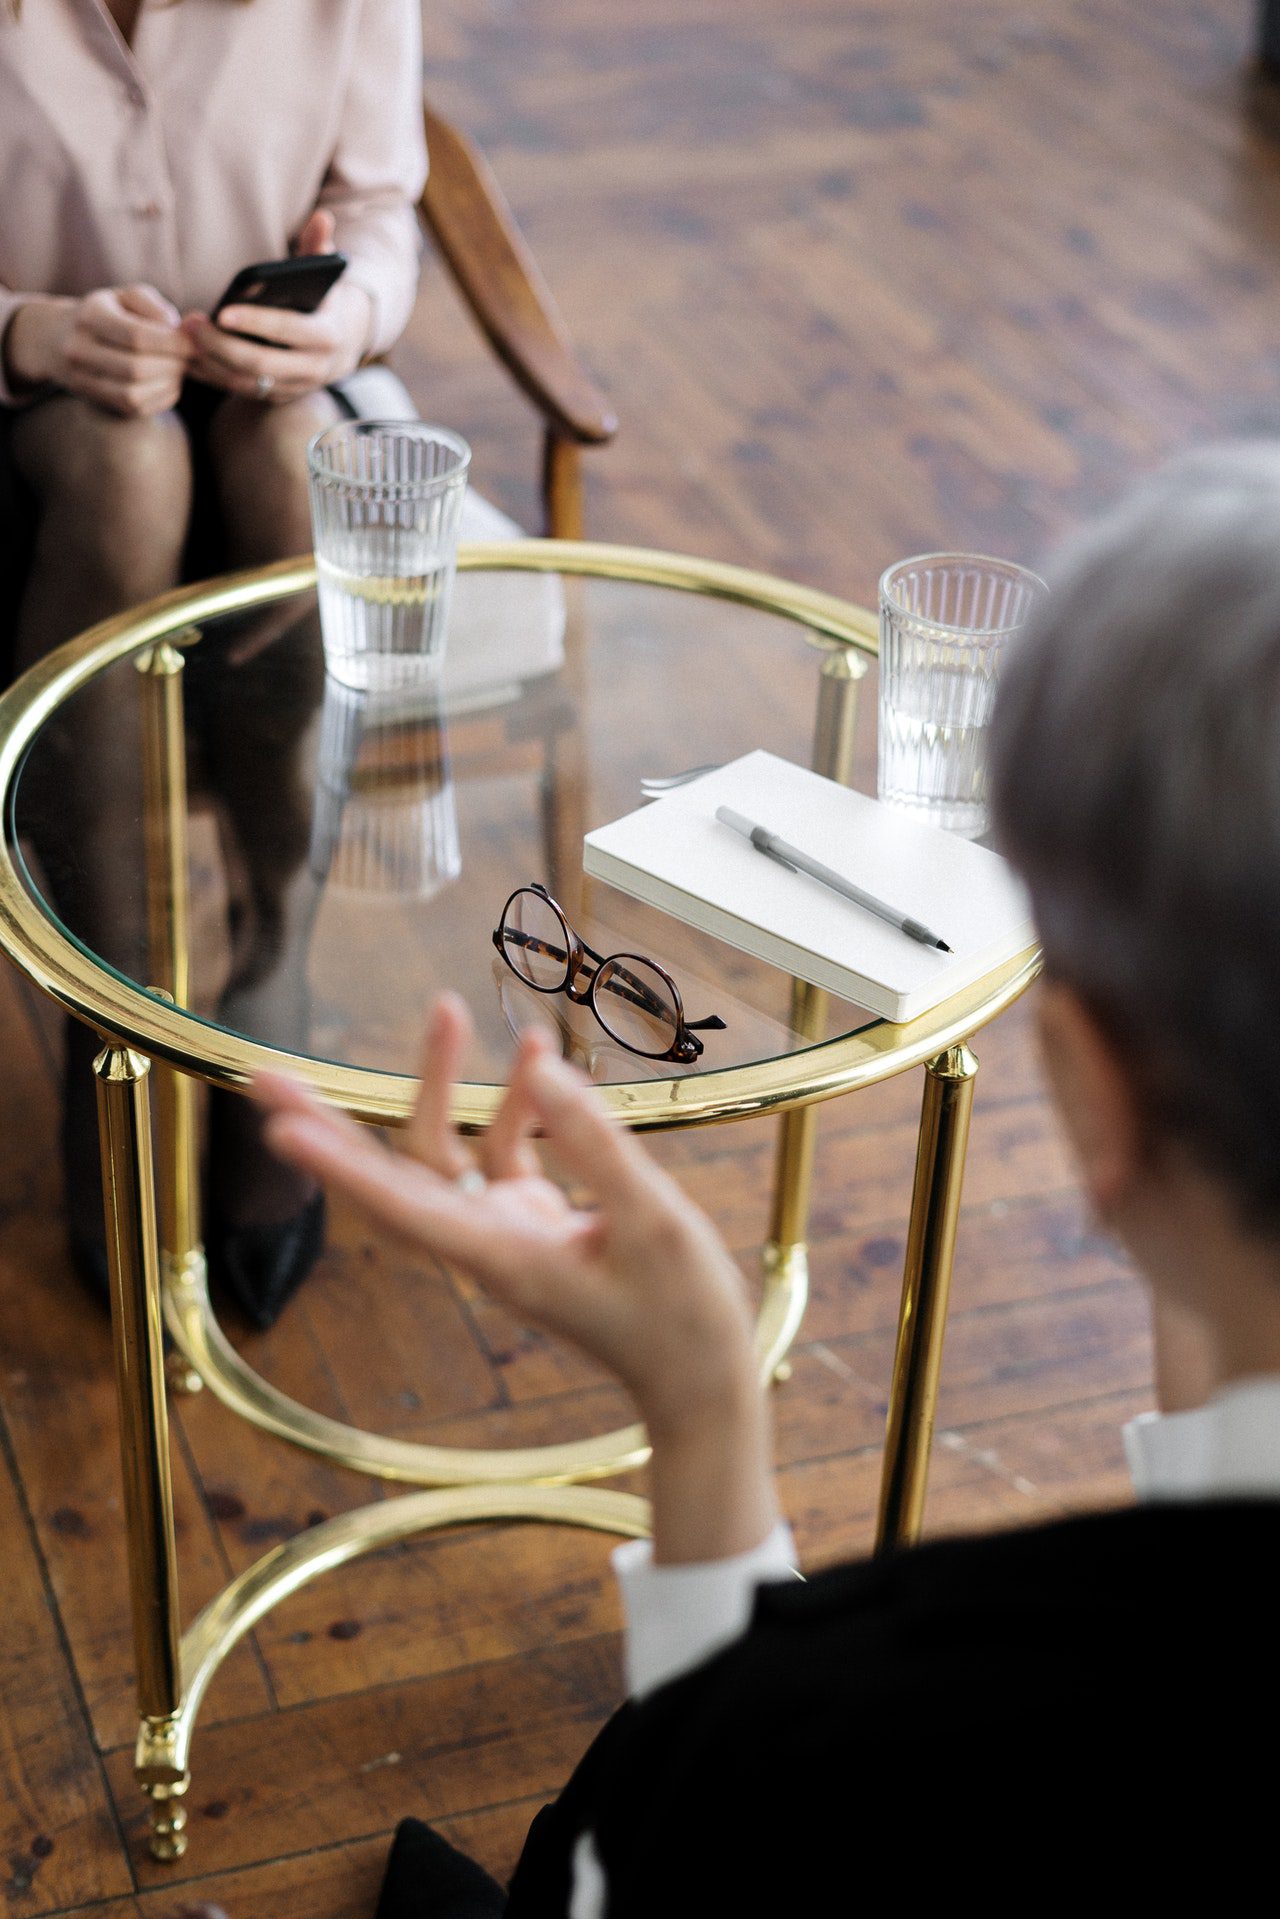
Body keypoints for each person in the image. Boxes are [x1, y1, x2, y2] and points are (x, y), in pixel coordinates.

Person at [256, 444, 1280, 1909]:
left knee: (603, 1805)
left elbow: (702, 1842)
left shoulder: (887, 1732)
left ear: (1096, 1086)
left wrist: (702, 1405)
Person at [1, 0, 427, 1320]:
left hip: (265, 413)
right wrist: (30, 329)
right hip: (24, 429)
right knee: (127, 469)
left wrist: (340, 317)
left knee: (290, 451)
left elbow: (379, 217)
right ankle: (109, 1031)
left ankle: (271, 991)